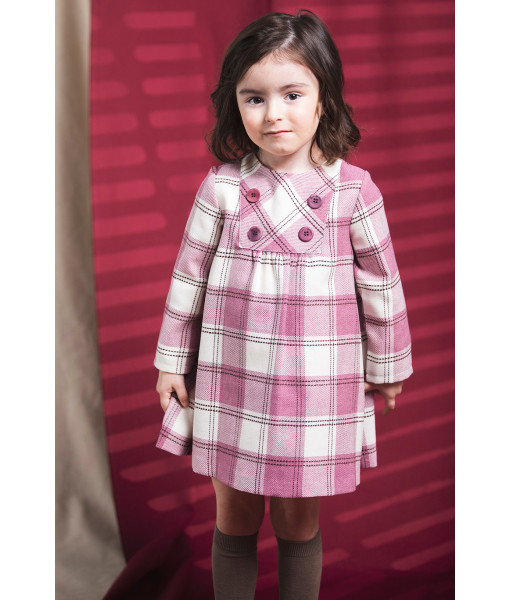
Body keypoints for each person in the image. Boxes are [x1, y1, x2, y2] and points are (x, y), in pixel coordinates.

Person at [154, 9, 413, 600]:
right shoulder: (222, 188)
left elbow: (382, 285)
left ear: (324, 101)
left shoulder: (354, 191)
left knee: (298, 518)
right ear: (235, 106)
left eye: (292, 94)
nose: (273, 113)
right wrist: (170, 360)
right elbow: (188, 277)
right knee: (235, 512)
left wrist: (386, 368)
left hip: (315, 383)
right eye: (254, 98)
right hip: (232, 377)